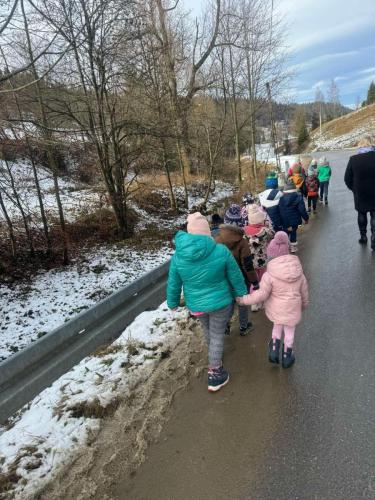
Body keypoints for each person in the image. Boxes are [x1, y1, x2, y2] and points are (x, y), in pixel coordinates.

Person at [167, 212, 247, 392]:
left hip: (196, 305)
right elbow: (234, 275)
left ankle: (214, 355)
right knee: (218, 333)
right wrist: (241, 294)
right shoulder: (220, 250)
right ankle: (215, 373)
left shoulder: (178, 256)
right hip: (220, 303)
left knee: (208, 330)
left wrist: (172, 302)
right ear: (207, 232)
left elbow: (174, 282)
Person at [236, 231, 309, 368]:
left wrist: (244, 300)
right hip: (293, 309)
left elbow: (261, 295)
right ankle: (287, 355)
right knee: (289, 331)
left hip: (276, 309)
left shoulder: (269, 275)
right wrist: (304, 305)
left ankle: (274, 348)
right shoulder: (299, 273)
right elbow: (304, 292)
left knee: (277, 326)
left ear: (271, 255)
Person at [215, 223, 258, 335]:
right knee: (242, 302)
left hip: (223, 279)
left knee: (229, 303)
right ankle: (244, 327)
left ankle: (224, 325)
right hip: (240, 279)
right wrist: (254, 281)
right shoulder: (242, 242)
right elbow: (247, 265)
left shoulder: (216, 240)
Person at [344, 136, 375, 248]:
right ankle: (374, 238)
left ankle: (363, 237)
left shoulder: (353, 159)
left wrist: (354, 189)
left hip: (360, 193)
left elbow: (347, 179)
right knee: (374, 215)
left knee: (361, 213)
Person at [278, 180, 309, 253]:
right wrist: (306, 218)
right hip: (295, 220)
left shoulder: (281, 198)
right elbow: (302, 210)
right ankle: (293, 247)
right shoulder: (298, 196)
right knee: (293, 232)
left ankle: (285, 248)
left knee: (286, 233)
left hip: (285, 220)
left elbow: (280, 210)